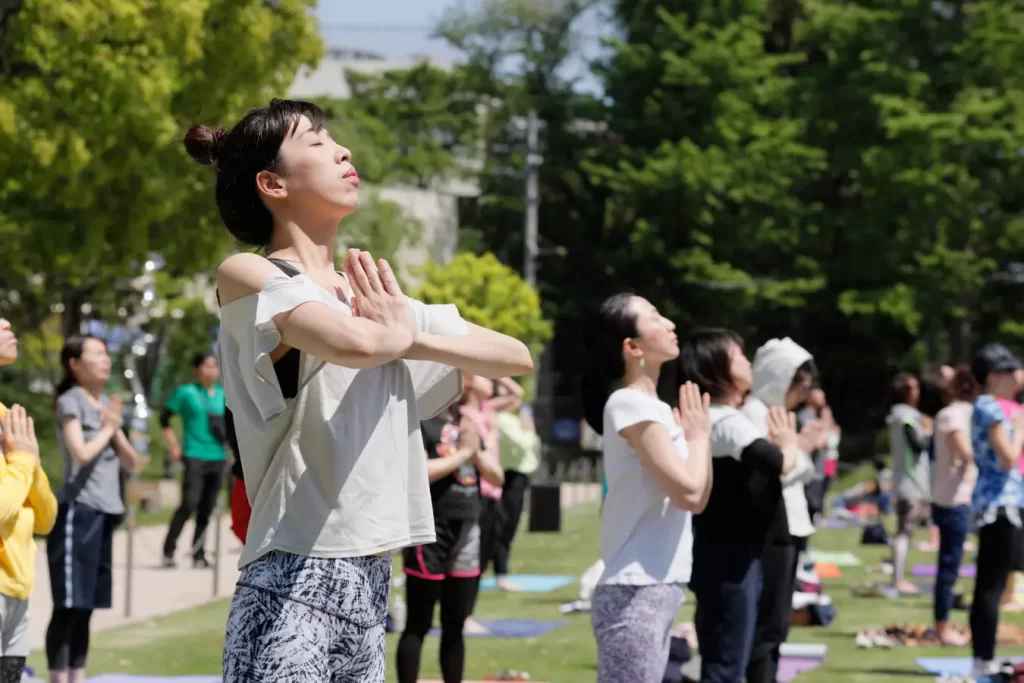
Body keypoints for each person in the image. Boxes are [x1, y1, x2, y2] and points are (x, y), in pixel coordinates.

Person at [191, 98, 533, 682]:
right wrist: (402, 332)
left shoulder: (371, 299)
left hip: (372, 578)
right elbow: (356, 344)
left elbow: (513, 356)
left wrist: (401, 331)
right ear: (272, 183)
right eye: (318, 143)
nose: (343, 150)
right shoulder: (249, 275)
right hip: (290, 573)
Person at [581, 293, 712, 683]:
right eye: (655, 316)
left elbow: (696, 497)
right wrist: (699, 437)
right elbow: (690, 493)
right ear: (632, 347)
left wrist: (696, 437)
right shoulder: (628, 404)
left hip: (657, 588)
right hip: (634, 593)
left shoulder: (653, 408)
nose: (670, 323)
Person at [669, 329, 798, 683]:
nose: (747, 361)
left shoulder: (724, 418)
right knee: (726, 662)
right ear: (718, 368)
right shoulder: (724, 420)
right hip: (729, 557)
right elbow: (778, 462)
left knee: (729, 655)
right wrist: (789, 443)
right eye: (739, 356)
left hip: (731, 553)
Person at [46, 335, 143, 683]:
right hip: (77, 510)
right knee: (69, 604)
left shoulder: (107, 406)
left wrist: (115, 430)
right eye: (97, 353)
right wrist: (108, 427)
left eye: (106, 353)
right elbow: (81, 453)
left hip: (105, 512)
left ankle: (79, 676)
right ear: (74, 364)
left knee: (87, 605)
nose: (106, 360)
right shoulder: (70, 400)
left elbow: (134, 463)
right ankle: (59, 677)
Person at [395, 381, 504, 683]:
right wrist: (463, 455)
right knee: (419, 622)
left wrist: (476, 453)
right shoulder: (420, 421)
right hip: (429, 529)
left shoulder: (465, 426)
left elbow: (497, 478)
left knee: (455, 624)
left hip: (468, 525)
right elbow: (417, 472)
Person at [741, 337, 822, 683]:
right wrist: (799, 449)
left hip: (787, 525)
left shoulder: (774, 414)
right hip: (770, 528)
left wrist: (797, 452)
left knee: (778, 623)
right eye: (799, 384)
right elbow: (788, 466)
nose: (803, 394)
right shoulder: (754, 415)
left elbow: (798, 465)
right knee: (768, 625)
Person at [0, 319, 57, 683]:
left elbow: (45, 518)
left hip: (17, 588)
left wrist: (28, 462)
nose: (8, 323)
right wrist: (23, 461)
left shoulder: (7, 416)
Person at [967, 344, 1024, 679]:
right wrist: (1021, 425)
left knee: (992, 585)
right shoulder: (990, 407)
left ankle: (983, 657)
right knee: (991, 586)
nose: (1015, 377)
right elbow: (1007, 457)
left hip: (1002, 504)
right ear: (992, 377)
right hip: (998, 505)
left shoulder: (990, 406)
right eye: (1008, 372)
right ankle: (983, 658)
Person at [160, 351, 227, 568]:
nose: (212, 370)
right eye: (207, 366)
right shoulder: (186, 393)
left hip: (218, 456)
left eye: (214, 366)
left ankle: (199, 553)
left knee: (207, 507)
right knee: (189, 503)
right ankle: (169, 550)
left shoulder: (222, 394)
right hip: (194, 454)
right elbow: (164, 419)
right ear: (197, 369)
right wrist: (174, 447)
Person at [930, 366, 977, 646]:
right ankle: (943, 628)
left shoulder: (960, 413)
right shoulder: (953, 415)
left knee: (955, 565)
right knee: (949, 565)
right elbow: (965, 454)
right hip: (953, 499)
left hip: (957, 496)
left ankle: (949, 624)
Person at [886, 371, 930, 594]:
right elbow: (919, 446)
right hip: (910, 483)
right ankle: (898, 578)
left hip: (904, 482)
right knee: (904, 532)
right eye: (914, 387)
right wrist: (931, 434)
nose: (918, 392)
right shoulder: (906, 417)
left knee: (904, 532)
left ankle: (898, 575)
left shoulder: (898, 415)